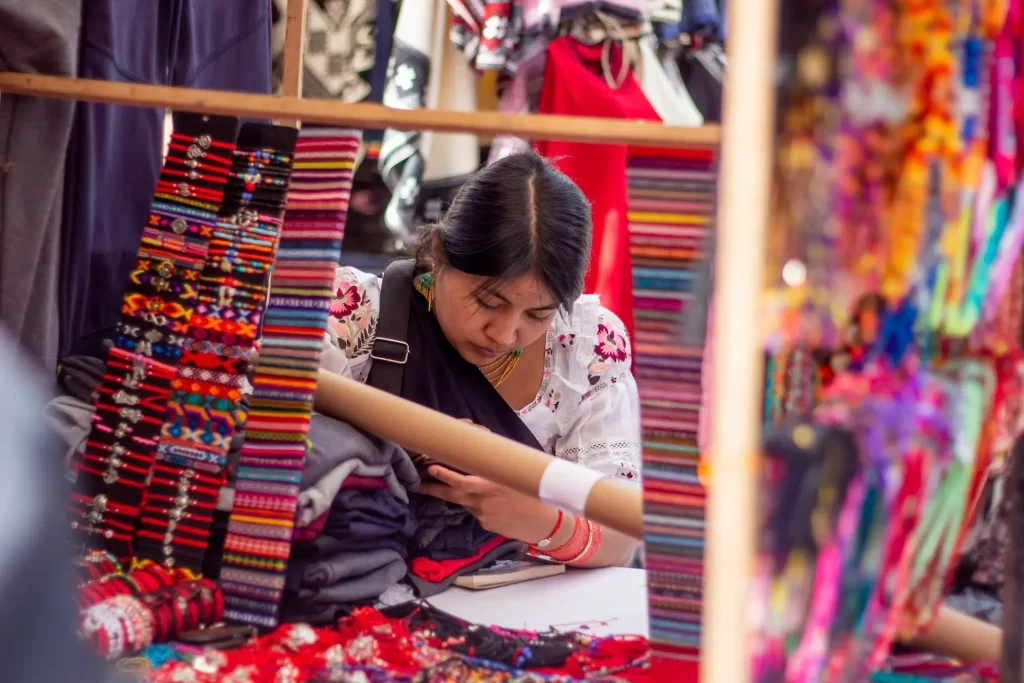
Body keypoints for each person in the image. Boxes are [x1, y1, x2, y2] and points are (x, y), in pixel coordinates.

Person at [320, 151, 642, 567]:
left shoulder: (586, 348)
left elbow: (621, 540)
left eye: (537, 314)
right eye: (488, 302)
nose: (505, 333)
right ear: (439, 253)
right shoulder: (353, 315)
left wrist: (535, 519)